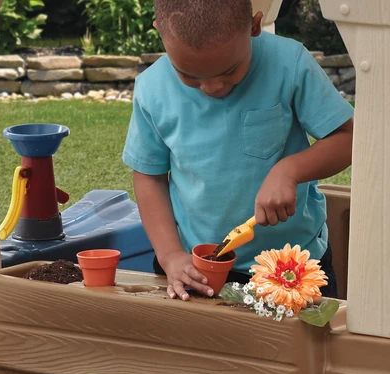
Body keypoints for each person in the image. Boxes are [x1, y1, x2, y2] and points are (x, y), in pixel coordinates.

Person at [123, 0, 354, 301]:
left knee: (302, 348)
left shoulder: (289, 63)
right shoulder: (151, 89)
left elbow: (346, 137)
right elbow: (148, 176)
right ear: (160, 34)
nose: (212, 87)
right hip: (196, 268)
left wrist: (289, 171)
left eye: (229, 71)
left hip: (294, 266)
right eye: (189, 76)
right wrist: (169, 255)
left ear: (254, 26)